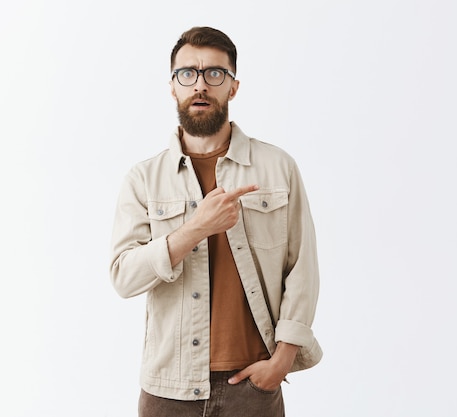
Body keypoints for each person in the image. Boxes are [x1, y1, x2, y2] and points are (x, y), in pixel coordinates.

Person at [110, 26, 322, 417]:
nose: (200, 85)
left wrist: (282, 362)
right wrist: (195, 229)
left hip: (253, 387)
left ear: (233, 87)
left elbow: (302, 269)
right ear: (173, 87)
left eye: (214, 74)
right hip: (168, 391)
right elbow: (124, 276)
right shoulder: (143, 179)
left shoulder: (278, 168)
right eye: (187, 73)